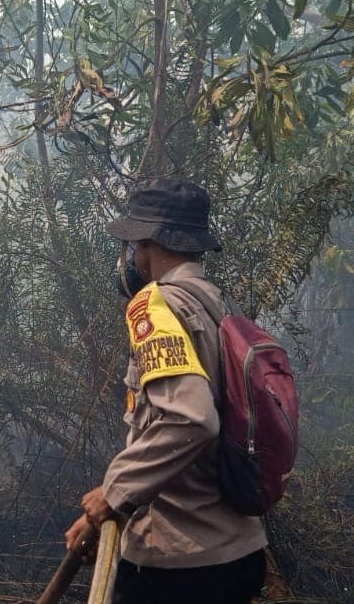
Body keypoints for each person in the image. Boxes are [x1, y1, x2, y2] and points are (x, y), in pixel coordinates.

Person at [65, 179, 267, 603]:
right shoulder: (217, 304)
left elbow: (188, 419)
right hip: (238, 554)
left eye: (134, 244)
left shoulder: (156, 305)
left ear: (147, 243)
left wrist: (114, 494)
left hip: (178, 567)